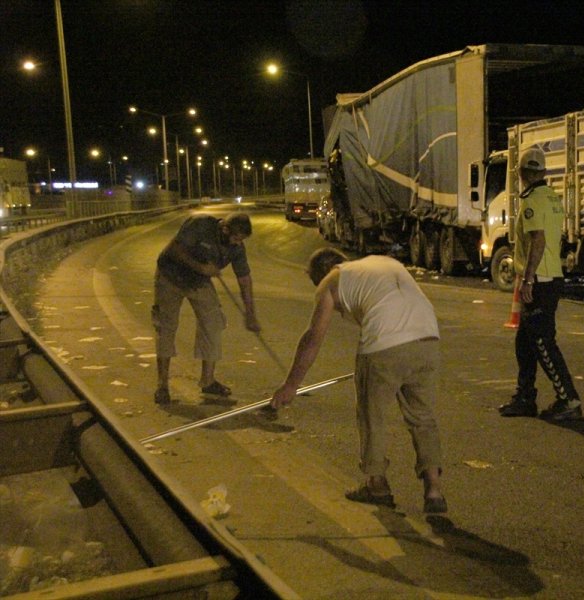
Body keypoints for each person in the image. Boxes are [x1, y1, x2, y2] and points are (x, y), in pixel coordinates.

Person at [270, 248, 447, 514]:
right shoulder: (382, 263)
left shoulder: (330, 282)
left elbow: (313, 338)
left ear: (319, 274)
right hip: (428, 338)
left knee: (371, 416)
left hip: (384, 344)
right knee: (422, 417)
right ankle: (433, 490)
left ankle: (376, 484)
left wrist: (290, 385)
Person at [498, 146, 582, 421]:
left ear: (521, 173)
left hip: (540, 279)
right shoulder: (552, 197)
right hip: (550, 275)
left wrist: (528, 278)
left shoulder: (532, 200)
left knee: (543, 342)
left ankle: (568, 399)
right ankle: (525, 397)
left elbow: (538, 240)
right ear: (544, 172)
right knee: (525, 343)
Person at [152, 212, 261, 405]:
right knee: (166, 327)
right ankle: (162, 385)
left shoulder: (237, 248)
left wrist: (250, 314)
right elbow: (173, 249)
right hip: (170, 276)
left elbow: (244, 279)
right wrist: (201, 267)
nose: (237, 243)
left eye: (241, 240)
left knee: (213, 322)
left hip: (198, 282)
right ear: (224, 229)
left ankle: (208, 381)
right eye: (236, 238)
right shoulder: (200, 224)